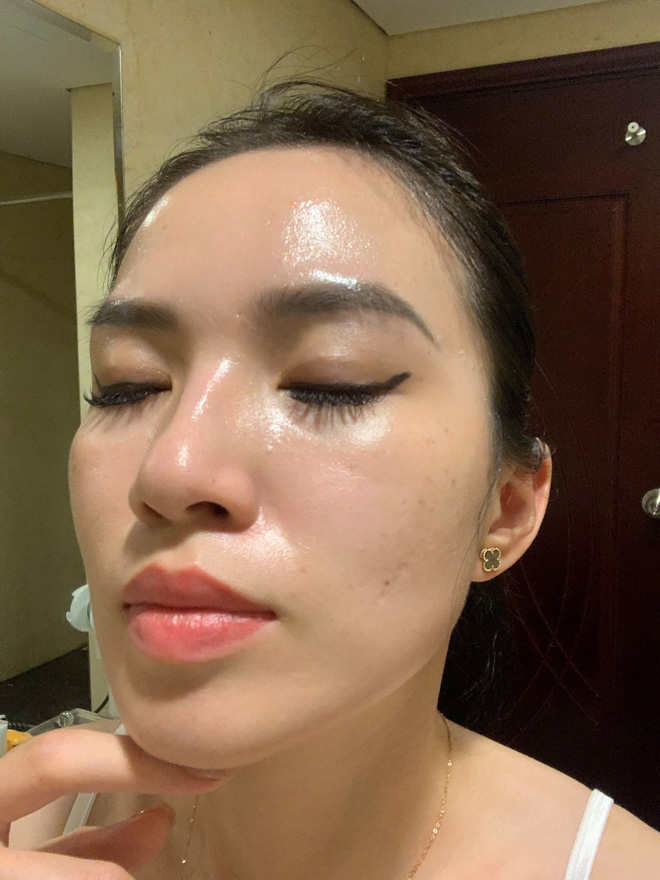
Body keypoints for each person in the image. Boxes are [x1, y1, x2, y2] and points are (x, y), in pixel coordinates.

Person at [3, 82, 659, 879]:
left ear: (506, 509)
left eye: (331, 382)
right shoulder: (24, 827)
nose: (170, 470)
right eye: (127, 385)